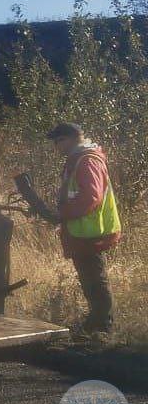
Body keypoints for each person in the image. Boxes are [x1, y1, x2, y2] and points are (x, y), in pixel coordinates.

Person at [47, 122, 122, 337]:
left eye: (59, 140)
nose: (56, 146)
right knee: (91, 280)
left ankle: (102, 330)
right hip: (83, 233)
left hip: (91, 234)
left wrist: (64, 214)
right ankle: (95, 326)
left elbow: (91, 197)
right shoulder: (79, 160)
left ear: (72, 138)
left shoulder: (87, 160)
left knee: (96, 282)